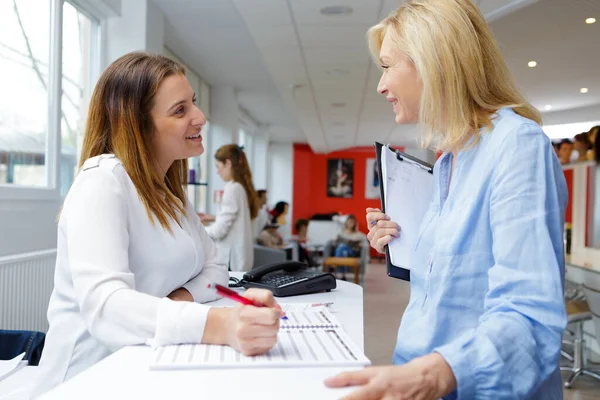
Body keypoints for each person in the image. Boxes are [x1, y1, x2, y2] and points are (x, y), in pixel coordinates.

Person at [325, 1, 568, 398]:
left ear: (431, 62)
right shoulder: (447, 162)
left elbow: (530, 316)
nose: (381, 85)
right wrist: (405, 242)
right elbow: (455, 275)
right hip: (422, 370)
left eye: (387, 66)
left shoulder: (517, 146)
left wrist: (431, 377)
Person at [32, 52, 282, 397]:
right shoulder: (102, 182)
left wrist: (176, 302)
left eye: (192, 103)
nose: (200, 117)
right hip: (87, 379)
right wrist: (219, 324)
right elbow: (107, 308)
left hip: (145, 363)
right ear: (137, 126)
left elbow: (215, 268)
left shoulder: (168, 191)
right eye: (180, 110)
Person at [202, 145, 258, 271]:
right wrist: (214, 217)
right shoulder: (242, 187)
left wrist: (198, 229)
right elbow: (237, 218)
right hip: (242, 259)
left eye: (218, 166)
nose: (217, 171)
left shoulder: (232, 189)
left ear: (227, 163)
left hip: (231, 261)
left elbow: (219, 231)